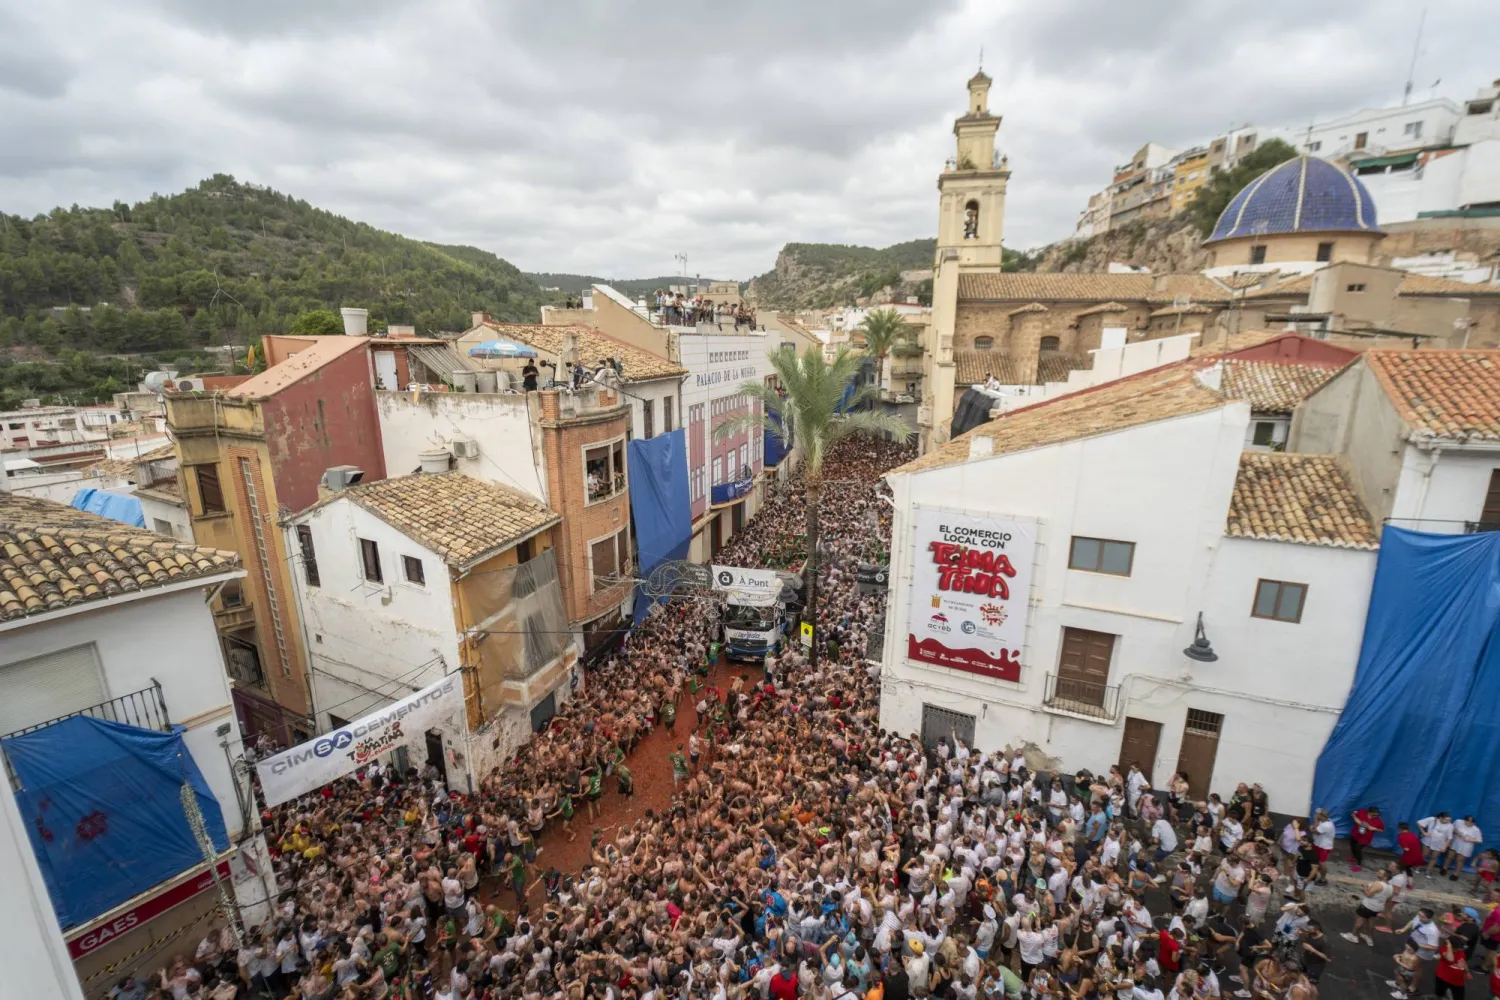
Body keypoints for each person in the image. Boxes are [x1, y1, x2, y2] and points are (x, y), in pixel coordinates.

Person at [1350, 805, 1385, 872]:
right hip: (1356, 834)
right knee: (1352, 846)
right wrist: (1354, 816)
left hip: (1365, 838)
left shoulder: (1379, 821)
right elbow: (1353, 813)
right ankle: (1354, 857)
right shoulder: (1362, 812)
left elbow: (1382, 830)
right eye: (1374, 814)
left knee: (1358, 850)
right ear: (1368, 812)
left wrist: (1374, 828)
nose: (1375, 816)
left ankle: (1358, 865)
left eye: (1377, 815)